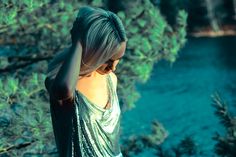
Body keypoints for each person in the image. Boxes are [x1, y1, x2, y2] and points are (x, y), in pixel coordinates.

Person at [44, 6, 127, 157]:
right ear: (93, 50)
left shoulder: (111, 80)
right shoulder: (58, 82)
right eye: (108, 60)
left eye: (118, 60)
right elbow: (64, 90)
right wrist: (79, 42)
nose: (113, 68)